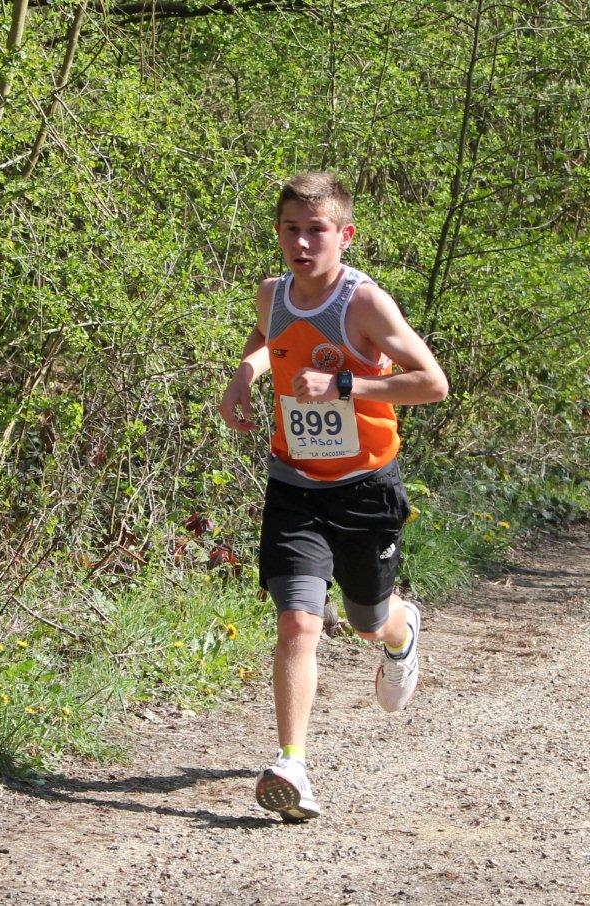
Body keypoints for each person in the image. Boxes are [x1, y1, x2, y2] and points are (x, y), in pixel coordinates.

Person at [220, 172, 448, 821]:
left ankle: (402, 634)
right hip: (294, 483)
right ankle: (292, 763)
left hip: (366, 488)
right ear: (278, 234)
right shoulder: (272, 295)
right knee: (298, 621)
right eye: (291, 228)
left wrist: (347, 387)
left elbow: (432, 384)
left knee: (367, 619)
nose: (302, 240)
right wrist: (243, 376)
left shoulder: (365, 305)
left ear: (344, 236)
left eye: (316, 229)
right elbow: (268, 341)